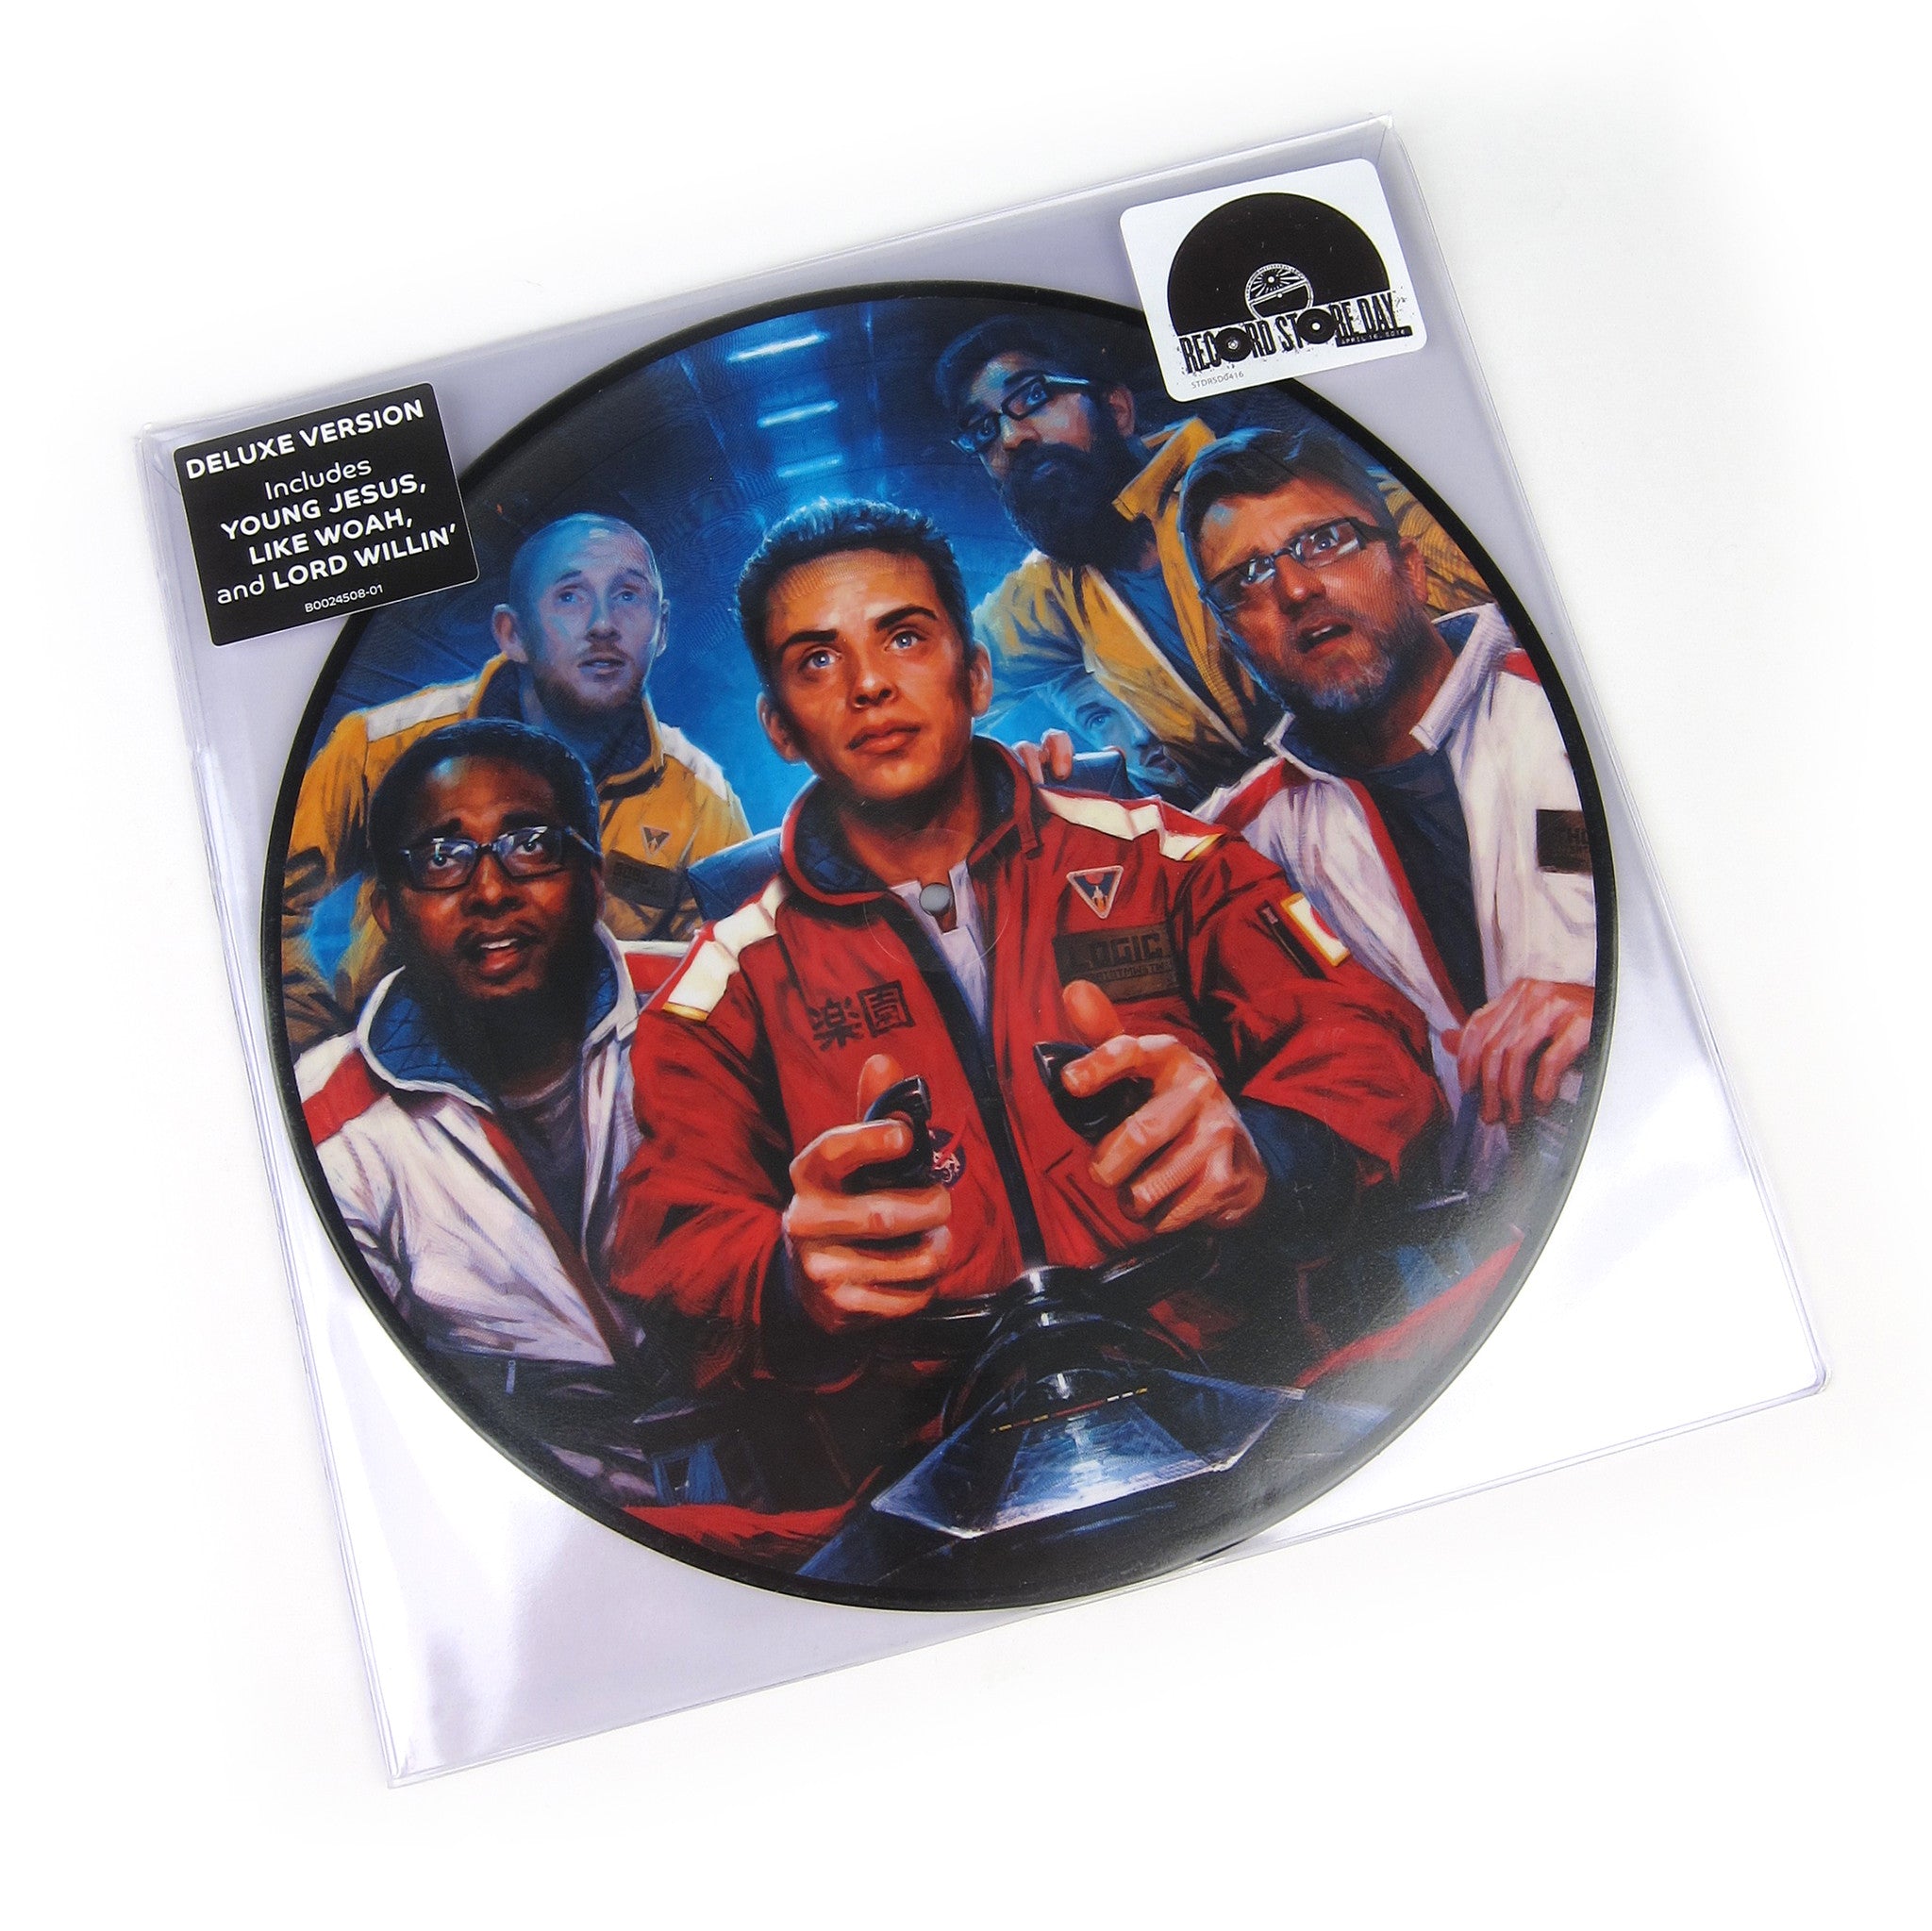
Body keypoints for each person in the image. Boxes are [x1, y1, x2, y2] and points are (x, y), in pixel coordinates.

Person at [608, 498, 1443, 1513]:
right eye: (817, 660)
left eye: (904, 637)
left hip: (1242, 1410)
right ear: (779, 726)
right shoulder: (724, 986)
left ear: (975, 674)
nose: (869, 683)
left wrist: (1265, 1152)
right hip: (926, 1481)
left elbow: (1368, 1045)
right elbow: (668, 1247)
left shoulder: (1165, 859)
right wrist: (789, 1280)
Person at [295, 718, 685, 1505]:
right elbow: (370, 1420)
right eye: (441, 857)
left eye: (531, 844)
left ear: (593, 878)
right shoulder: (331, 1128)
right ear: (386, 909)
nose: (490, 890)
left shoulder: (711, 1000)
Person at [1174, 426, 1597, 1139]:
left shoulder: (1580, 710)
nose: (1295, 588)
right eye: (1246, 580)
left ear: (1411, 568)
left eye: (1325, 541)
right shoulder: (1241, 839)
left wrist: (1605, 999)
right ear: (1232, 647)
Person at [935, 312, 1488, 802]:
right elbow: (937, 680)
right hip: (1264, 844)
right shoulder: (1051, 591)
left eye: (1033, 396)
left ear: (1117, 409)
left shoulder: (1253, 488)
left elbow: (1459, 557)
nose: (1010, 437)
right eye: (982, 430)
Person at [281, 512, 750, 1053]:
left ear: (661, 628)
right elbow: (269, 907)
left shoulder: (702, 803)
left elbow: (732, 974)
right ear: (513, 633)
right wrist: (322, 1055)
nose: (603, 624)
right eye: (570, 597)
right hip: (399, 1070)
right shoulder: (379, 748)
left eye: (627, 595)